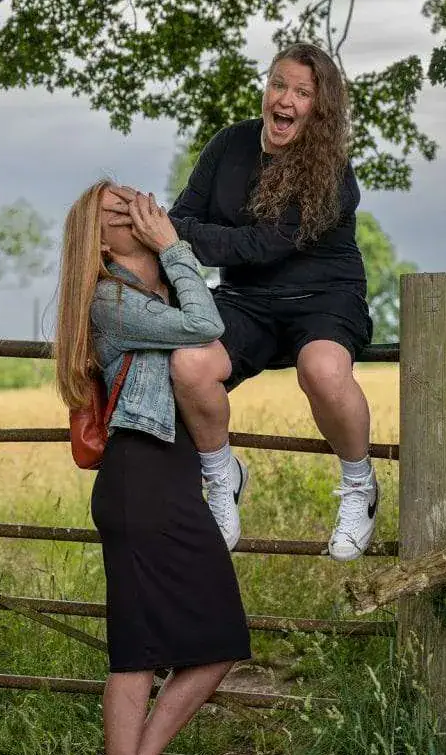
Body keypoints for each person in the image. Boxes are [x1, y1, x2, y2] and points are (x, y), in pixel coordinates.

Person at [104, 43, 378, 563]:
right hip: (245, 300)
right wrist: (175, 235)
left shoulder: (333, 171)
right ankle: (221, 476)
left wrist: (178, 238)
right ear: (266, 88)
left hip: (324, 296)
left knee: (321, 369)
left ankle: (359, 487)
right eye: (279, 84)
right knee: (189, 363)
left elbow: (259, 244)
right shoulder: (229, 144)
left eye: (302, 92)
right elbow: (181, 217)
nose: (286, 100)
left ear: (321, 108)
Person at [54, 181, 251, 755]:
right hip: (139, 478)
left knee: (216, 640)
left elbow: (212, 345)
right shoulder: (111, 300)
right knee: (137, 648)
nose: (135, 211)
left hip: (170, 477)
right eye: (117, 212)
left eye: (135, 199)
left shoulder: (157, 293)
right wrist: (174, 248)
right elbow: (206, 327)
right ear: (100, 240)